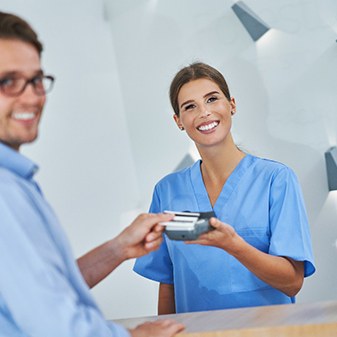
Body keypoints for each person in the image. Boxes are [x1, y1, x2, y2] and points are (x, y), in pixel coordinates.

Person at [0, 11, 185, 337]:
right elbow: (52, 324)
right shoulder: (5, 192)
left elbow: (45, 288)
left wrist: (119, 248)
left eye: (36, 80)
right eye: (8, 82)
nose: (31, 96)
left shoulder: (18, 182)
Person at [134, 62, 316, 315]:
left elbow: (293, 282)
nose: (204, 112)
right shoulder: (168, 192)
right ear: (178, 121)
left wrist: (234, 245)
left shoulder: (276, 180)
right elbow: (169, 282)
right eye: (190, 106)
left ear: (232, 104)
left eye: (212, 99)